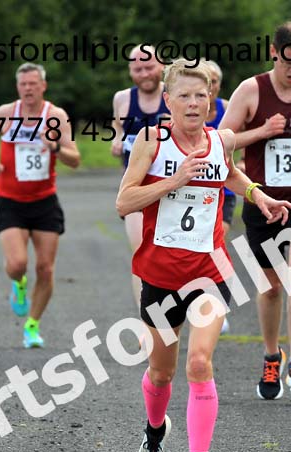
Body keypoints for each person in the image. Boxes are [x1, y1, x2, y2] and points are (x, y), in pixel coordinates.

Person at [116, 59, 291, 452]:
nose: (194, 104)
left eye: (202, 96)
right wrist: (174, 180)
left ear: (211, 101)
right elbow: (124, 201)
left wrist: (259, 195)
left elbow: (229, 173)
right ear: (168, 101)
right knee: (162, 371)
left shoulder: (219, 140)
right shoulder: (152, 142)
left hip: (209, 274)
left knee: (199, 364)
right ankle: (154, 435)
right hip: (160, 276)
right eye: (185, 96)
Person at [219, 21, 291, 400]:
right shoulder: (251, 90)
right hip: (263, 199)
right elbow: (222, 139)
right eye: (288, 62)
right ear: (274, 52)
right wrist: (262, 132)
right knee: (270, 287)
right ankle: (272, 355)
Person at [0, 62, 80, 348]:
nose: (28, 89)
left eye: (33, 83)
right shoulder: (6, 114)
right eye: (23, 84)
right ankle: (18, 284)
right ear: (17, 87)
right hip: (10, 201)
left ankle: (32, 326)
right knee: (17, 263)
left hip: (45, 202)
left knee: (45, 269)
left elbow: (75, 159)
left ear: (43, 86)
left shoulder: (55, 116)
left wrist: (55, 146)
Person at [111, 45, 170, 308]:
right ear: (130, 71)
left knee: (172, 256)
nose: (144, 73)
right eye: (138, 69)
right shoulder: (122, 99)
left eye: (149, 67)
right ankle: (146, 317)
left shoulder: (173, 97)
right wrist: (117, 140)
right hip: (135, 190)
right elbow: (118, 129)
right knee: (140, 252)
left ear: (162, 67)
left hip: (170, 189)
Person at [202, 59, 233, 334]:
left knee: (216, 242)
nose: (209, 87)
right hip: (199, 192)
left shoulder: (227, 109)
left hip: (225, 190)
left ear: (218, 85)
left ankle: (219, 303)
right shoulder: (186, 110)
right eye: (205, 81)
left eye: (213, 82)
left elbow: (238, 151)